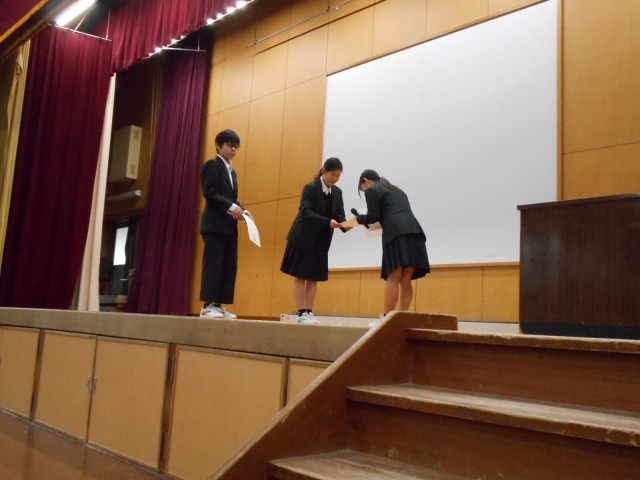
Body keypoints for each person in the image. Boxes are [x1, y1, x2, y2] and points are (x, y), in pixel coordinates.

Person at [354, 169, 430, 324]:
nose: (365, 191)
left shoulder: (373, 190)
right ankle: (402, 318)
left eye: (363, 188)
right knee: (406, 279)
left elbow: (373, 216)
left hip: (396, 234)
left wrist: (359, 219)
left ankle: (386, 319)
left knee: (393, 277)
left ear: (366, 180)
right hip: (414, 232)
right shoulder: (396, 189)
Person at [281, 158, 350, 324]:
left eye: (338, 176)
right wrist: (328, 222)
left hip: (321, 240)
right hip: (303, 238)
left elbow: (339, 214)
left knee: (313, 277)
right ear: (324, 171)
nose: (335, 179)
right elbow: (306, 211)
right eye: (333, 175)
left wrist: (346, 225)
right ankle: (301, 313)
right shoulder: (310, 188)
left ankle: (309, 312)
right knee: (300, 276)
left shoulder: (338, 192)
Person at [199, 129, 252, 319]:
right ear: (218, 145)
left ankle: (218, 305)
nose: (233, 149)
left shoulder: (233, 172)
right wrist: (231, 207)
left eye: (236, 146)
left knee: (228, 265)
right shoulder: (212, 165)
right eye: (230, 145)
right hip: (214, 225)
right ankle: (207, 306)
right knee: (213, 264)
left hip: (228, 227)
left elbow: (231, 198)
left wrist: (243, 210)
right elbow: (210, 192)